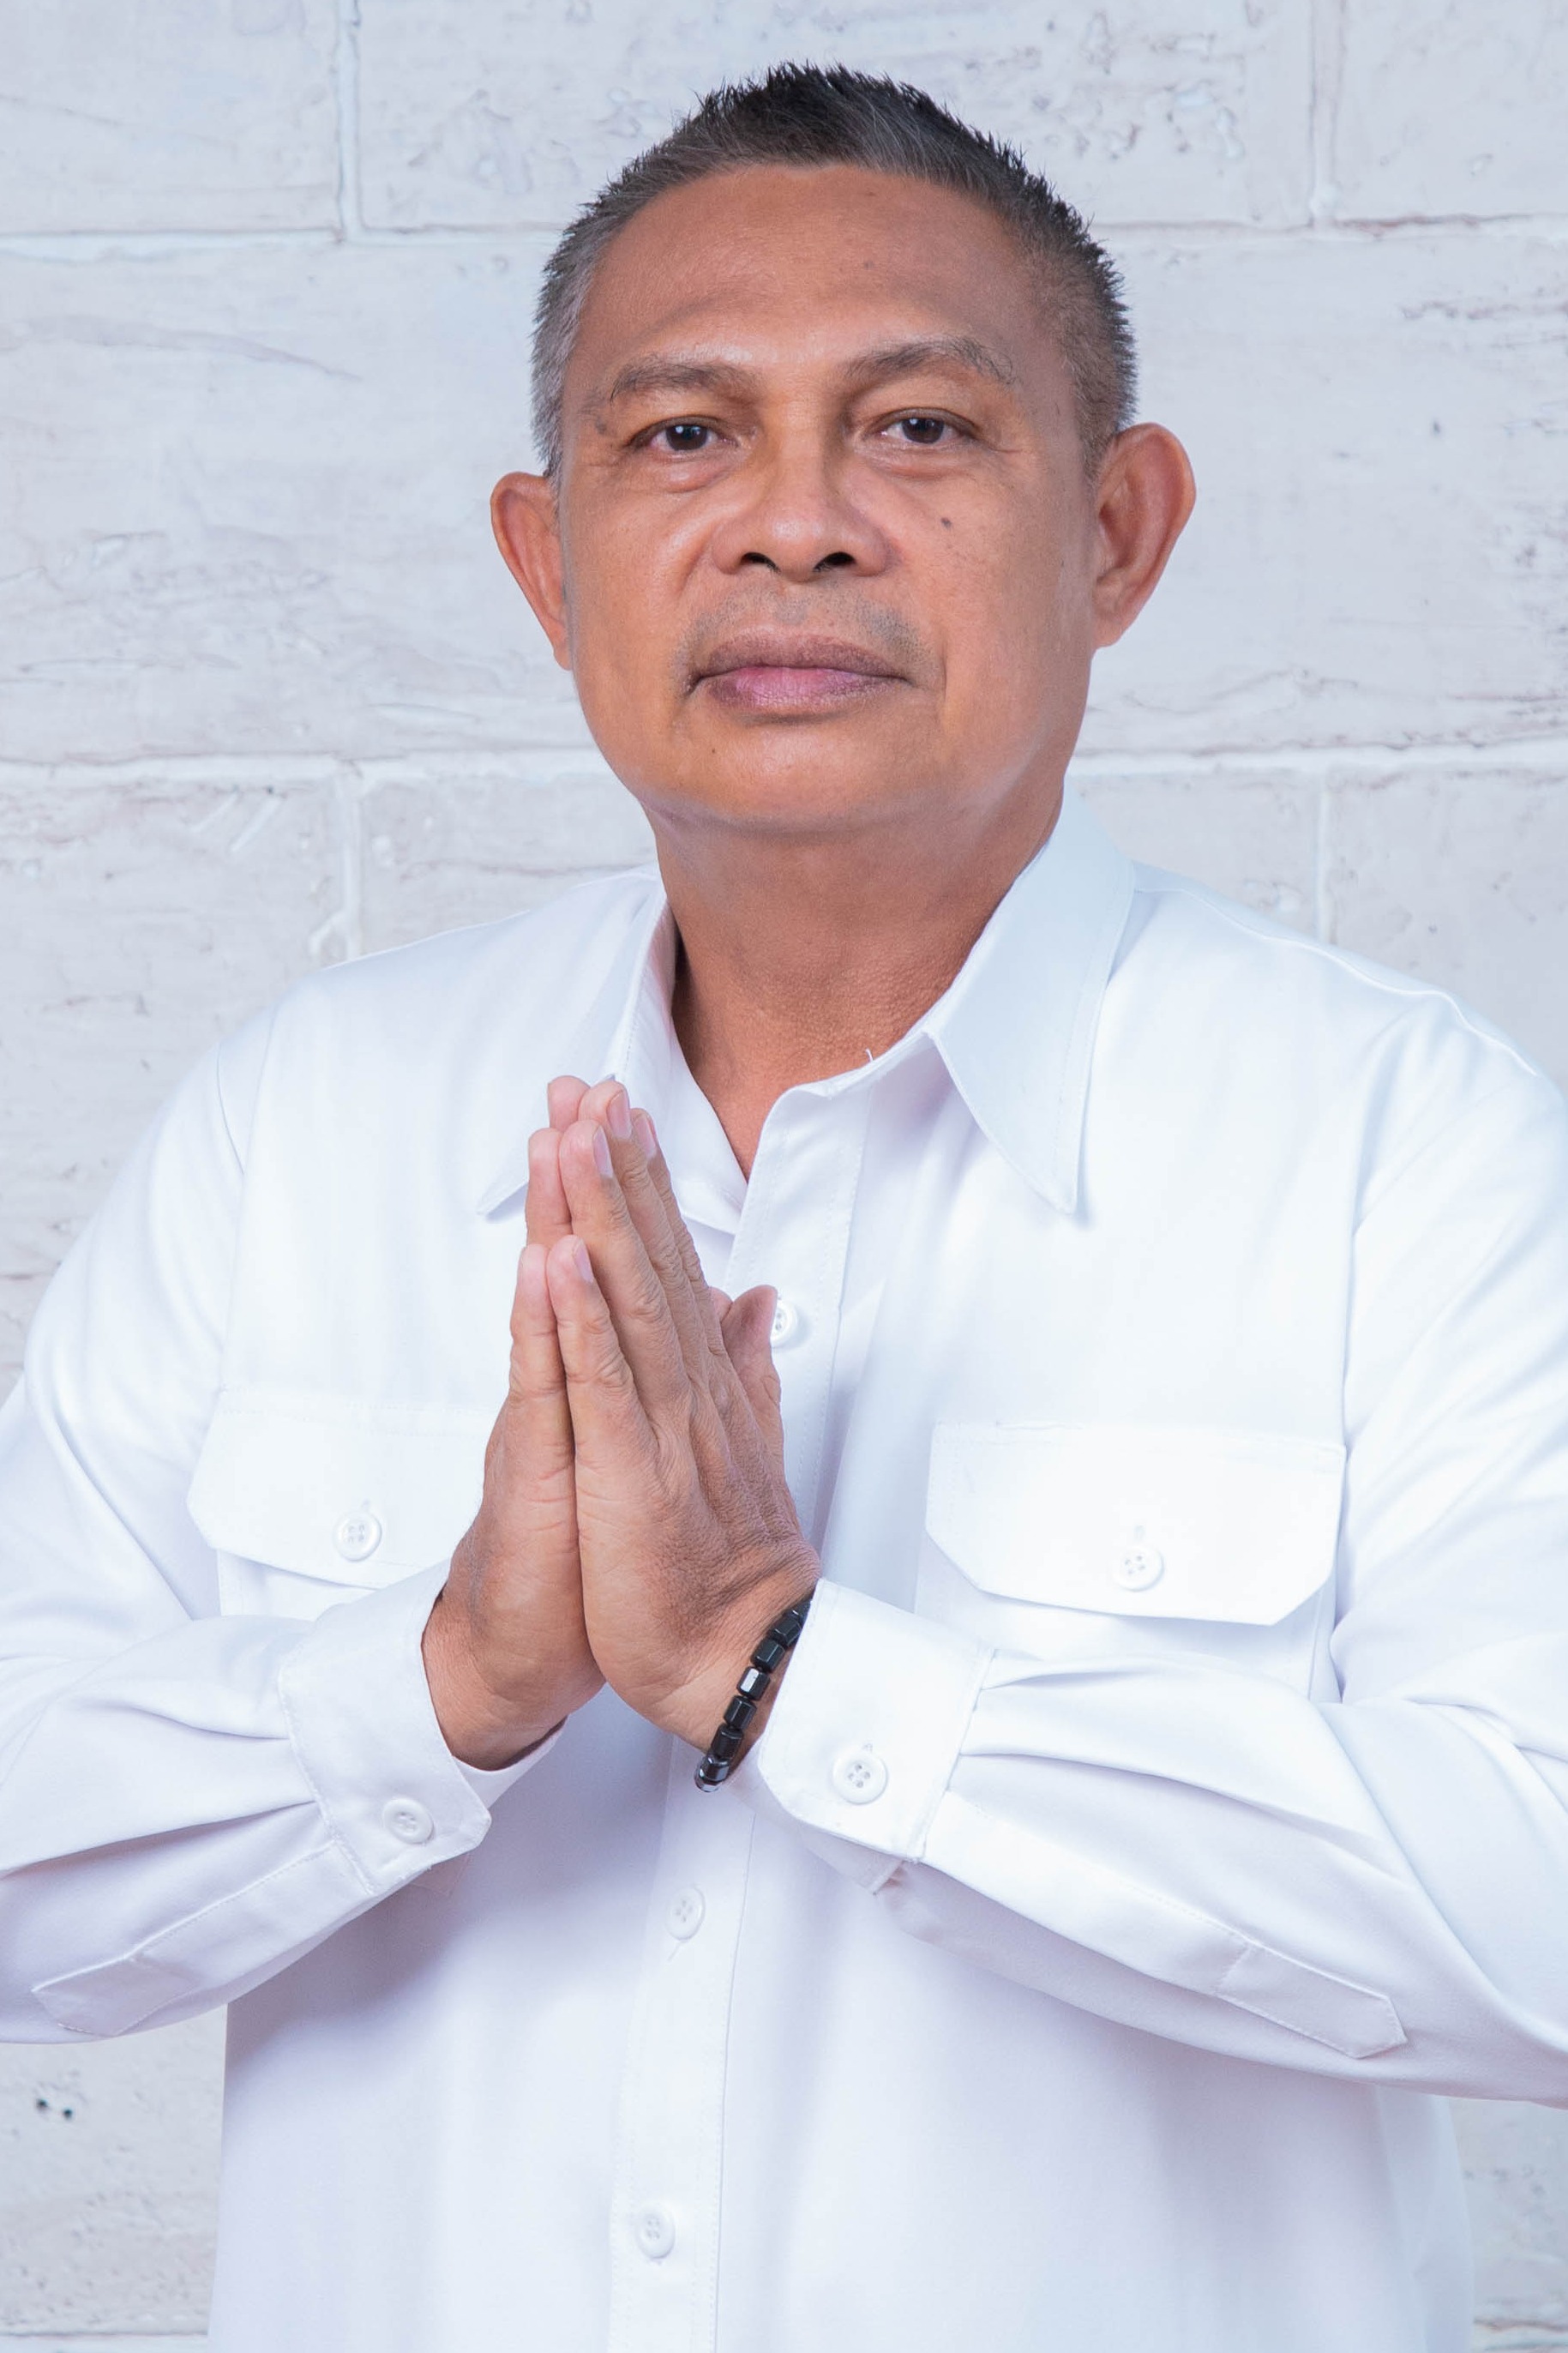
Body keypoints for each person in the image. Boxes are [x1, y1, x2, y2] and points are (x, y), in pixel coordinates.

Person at [2, 61, 1565, 2353]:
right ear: (547, 561)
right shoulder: (299, 1131)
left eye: (920, 428)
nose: (796, 528)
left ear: (1117, 532)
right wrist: (443, 1688)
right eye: (683, 435)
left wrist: (792, 1673)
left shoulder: (1403, 1146)